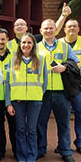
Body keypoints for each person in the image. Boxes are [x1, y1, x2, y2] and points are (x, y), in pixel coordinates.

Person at [37, 19, 79, 162]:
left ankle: (65, 150)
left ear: (56, 30)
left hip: (62, 92)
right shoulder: (35, 48)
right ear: (40, 31)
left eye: (51, 28)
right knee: (40, 122)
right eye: (45, 28)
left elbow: (76, 64)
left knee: (64, 122)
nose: (48, 31)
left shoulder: (65, 47)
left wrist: (65, 67)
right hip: (42, 92)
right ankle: (40, 149)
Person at [6, 33, 47, 162]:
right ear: (20, 45)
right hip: (17, 101)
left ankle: (31, 156)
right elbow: (7, 83)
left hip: (35, 101)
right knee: (20, 129)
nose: (26, 45)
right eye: (23, 42)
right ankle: (21, 156)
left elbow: (44, 81)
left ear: (33, 45)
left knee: (32, 129)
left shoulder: (40, 59)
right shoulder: (12, 60)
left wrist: (38, 95)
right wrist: (9, 103)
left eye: (29, 42)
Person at [0, 28, 16, 160]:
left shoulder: (15, 56)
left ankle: (17, 151)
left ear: (8, 40)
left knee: (14, 126)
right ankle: (0, 151)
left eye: (3, 39)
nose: (1, 42)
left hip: (11, 98)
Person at [60, 19, 81, 154]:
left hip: (78, 86)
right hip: (62, 85)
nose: (71, 29)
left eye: (74, 26)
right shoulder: (59, 43)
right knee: (63, 117)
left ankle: (80, 142)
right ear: (64, 29)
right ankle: (62, 144)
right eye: (69, 27)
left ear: (78, 29)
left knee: (80, 114)